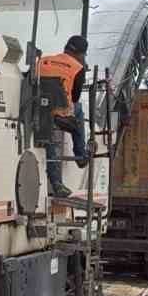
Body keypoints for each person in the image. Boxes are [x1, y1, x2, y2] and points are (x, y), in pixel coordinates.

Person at [36, 35, 92, 197]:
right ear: (81, 54)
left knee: (49, 140)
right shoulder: (77, 68)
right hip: (61, 115)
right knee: (79, 109)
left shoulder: (43, 61)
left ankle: (57, 183)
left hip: (38, 111)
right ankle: (81, 155)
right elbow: (74, 98)